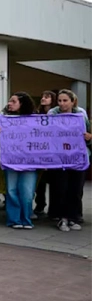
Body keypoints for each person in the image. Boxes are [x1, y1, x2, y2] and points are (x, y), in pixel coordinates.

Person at [47, 89, 91, 231]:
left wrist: (89, 137)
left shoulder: (81, 114)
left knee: (76, 189)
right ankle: (62, 218)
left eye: (65, 100)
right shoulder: (52, 114)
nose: (62, 103)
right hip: (59, 158)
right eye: (60, 100)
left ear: (73, 101)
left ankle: (73, 217)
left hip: (78, 157)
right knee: (61, 188)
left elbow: (88, 132)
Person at [0, 93, 38, 229]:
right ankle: (14, 220)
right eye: (9, 101)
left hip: (29, 163)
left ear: (22, 103)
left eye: (13, 101)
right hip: (11, 161)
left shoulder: (35, 120)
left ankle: (26, 219)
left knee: (27, 192)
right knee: (11, 190)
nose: (9, 103)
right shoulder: (3, 119)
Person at [34, 90, 58, 217]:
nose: (43, 99)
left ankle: (54, 209)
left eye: (47, 97)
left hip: (53, 152)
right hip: (40, 151)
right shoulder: (37, 114)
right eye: (42, 96)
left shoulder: (56, 114)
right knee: (40, 182)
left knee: (54, 182)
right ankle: (40, 205)